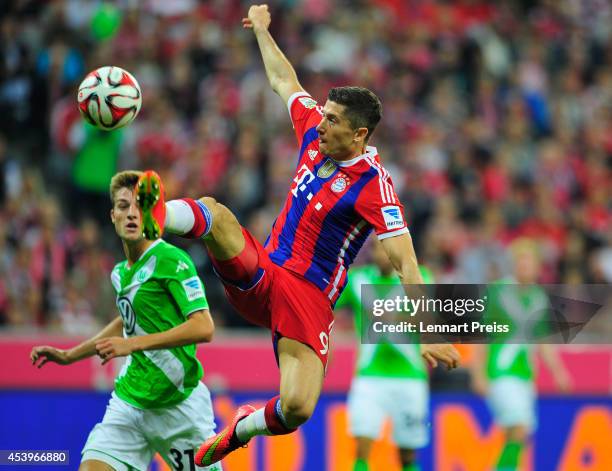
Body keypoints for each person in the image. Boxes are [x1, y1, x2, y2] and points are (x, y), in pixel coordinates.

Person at [137, 5, 460, 466]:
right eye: (323, 115)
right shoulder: (314, 131)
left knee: (297, 408)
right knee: (216, 214)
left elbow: (405, 262)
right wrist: (264, 32)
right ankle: (151, 215)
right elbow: (284, 82)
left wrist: (426, 333)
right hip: (265, 272)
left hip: (309, 298)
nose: (321, 123)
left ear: (359, 134)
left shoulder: (376, 185)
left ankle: (240, 429)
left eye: (332, 121)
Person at [30, 170, 222, 471]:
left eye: (139, 206)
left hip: (179, 410)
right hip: (130, 404)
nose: (131, 214)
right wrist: (69, 355)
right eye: (123, 206)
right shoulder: (119, 272)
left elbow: (204, 326)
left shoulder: (172, 260)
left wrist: (130, 345)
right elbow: (126, 320)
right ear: (112, 215)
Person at [470, 238, 571, 471]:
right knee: (519, 427)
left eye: (529, 261)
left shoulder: (538, 297)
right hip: (500, 371)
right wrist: (478, 374)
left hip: (525, 373)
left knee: (514, 435)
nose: (524, 265)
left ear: (537, 266)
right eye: (520, 260)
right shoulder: (497, 292)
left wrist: (559, 372)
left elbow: (542, 340)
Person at [335, 237, 434, 471]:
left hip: (410, 376)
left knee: (407, 454)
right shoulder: (357, 280)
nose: (381, 253)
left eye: (386, 247)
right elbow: (325, 307)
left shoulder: (419, 279)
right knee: (362, 444)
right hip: (369, 376)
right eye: (377, 248)